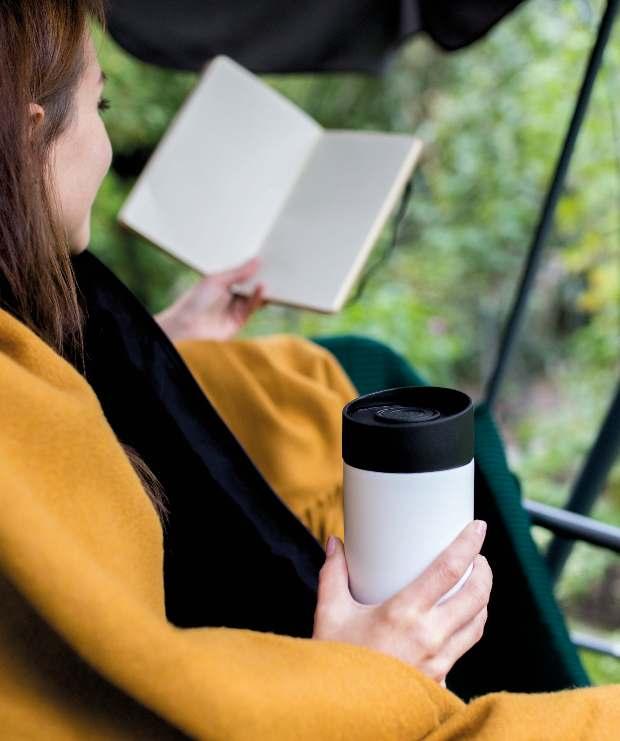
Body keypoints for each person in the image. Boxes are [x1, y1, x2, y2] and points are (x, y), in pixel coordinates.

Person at [0, 2, 617, 739]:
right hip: (330, 702)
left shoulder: (48, 306)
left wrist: (162, 344)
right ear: (33, 133)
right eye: (100, 105)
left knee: (343, 374)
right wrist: (362, 671)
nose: (104, 142)